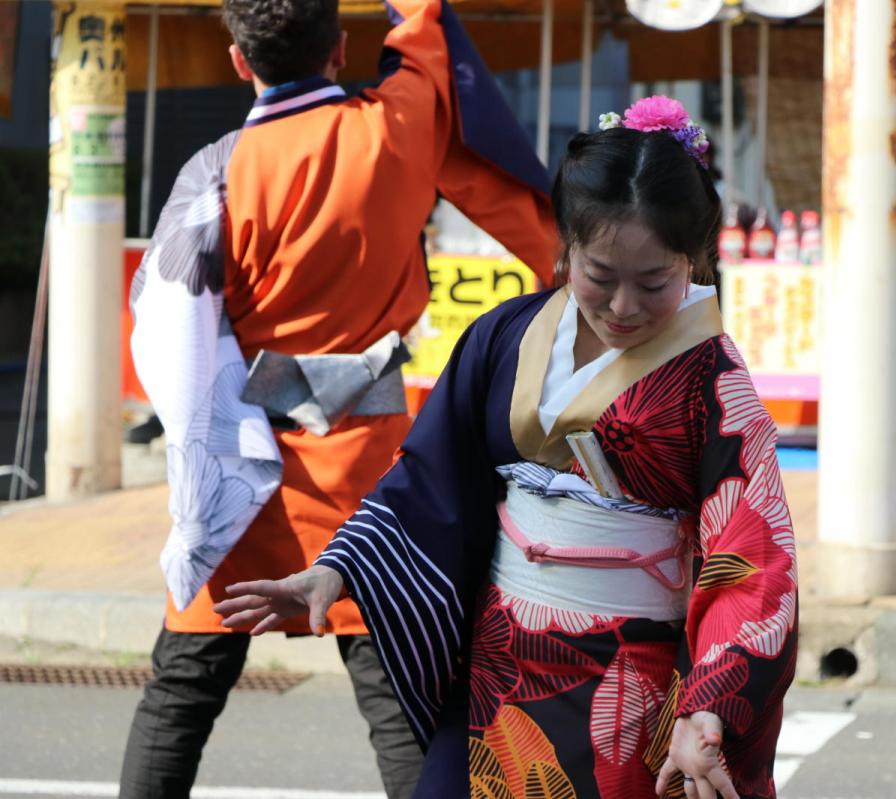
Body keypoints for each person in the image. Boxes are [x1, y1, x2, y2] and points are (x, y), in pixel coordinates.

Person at [216, 96, 799, 799]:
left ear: (695, 261)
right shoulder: (505, 336)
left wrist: (708, 703)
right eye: (599, 274)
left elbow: (753, 556)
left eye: (654, 282)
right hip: (501, 664)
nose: (622, 307)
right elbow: (429, 478)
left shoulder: (713, 378)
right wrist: (339, 572)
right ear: (566, 245)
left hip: (634, 687)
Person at [120, 0, 556, 796]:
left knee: (182, 689)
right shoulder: (398, 120)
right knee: (397, 699)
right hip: (370, 464)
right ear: (342, 46)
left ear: (237, 62)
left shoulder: (217, 170)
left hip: (242, 472)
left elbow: (164, 326)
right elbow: (426, 31)